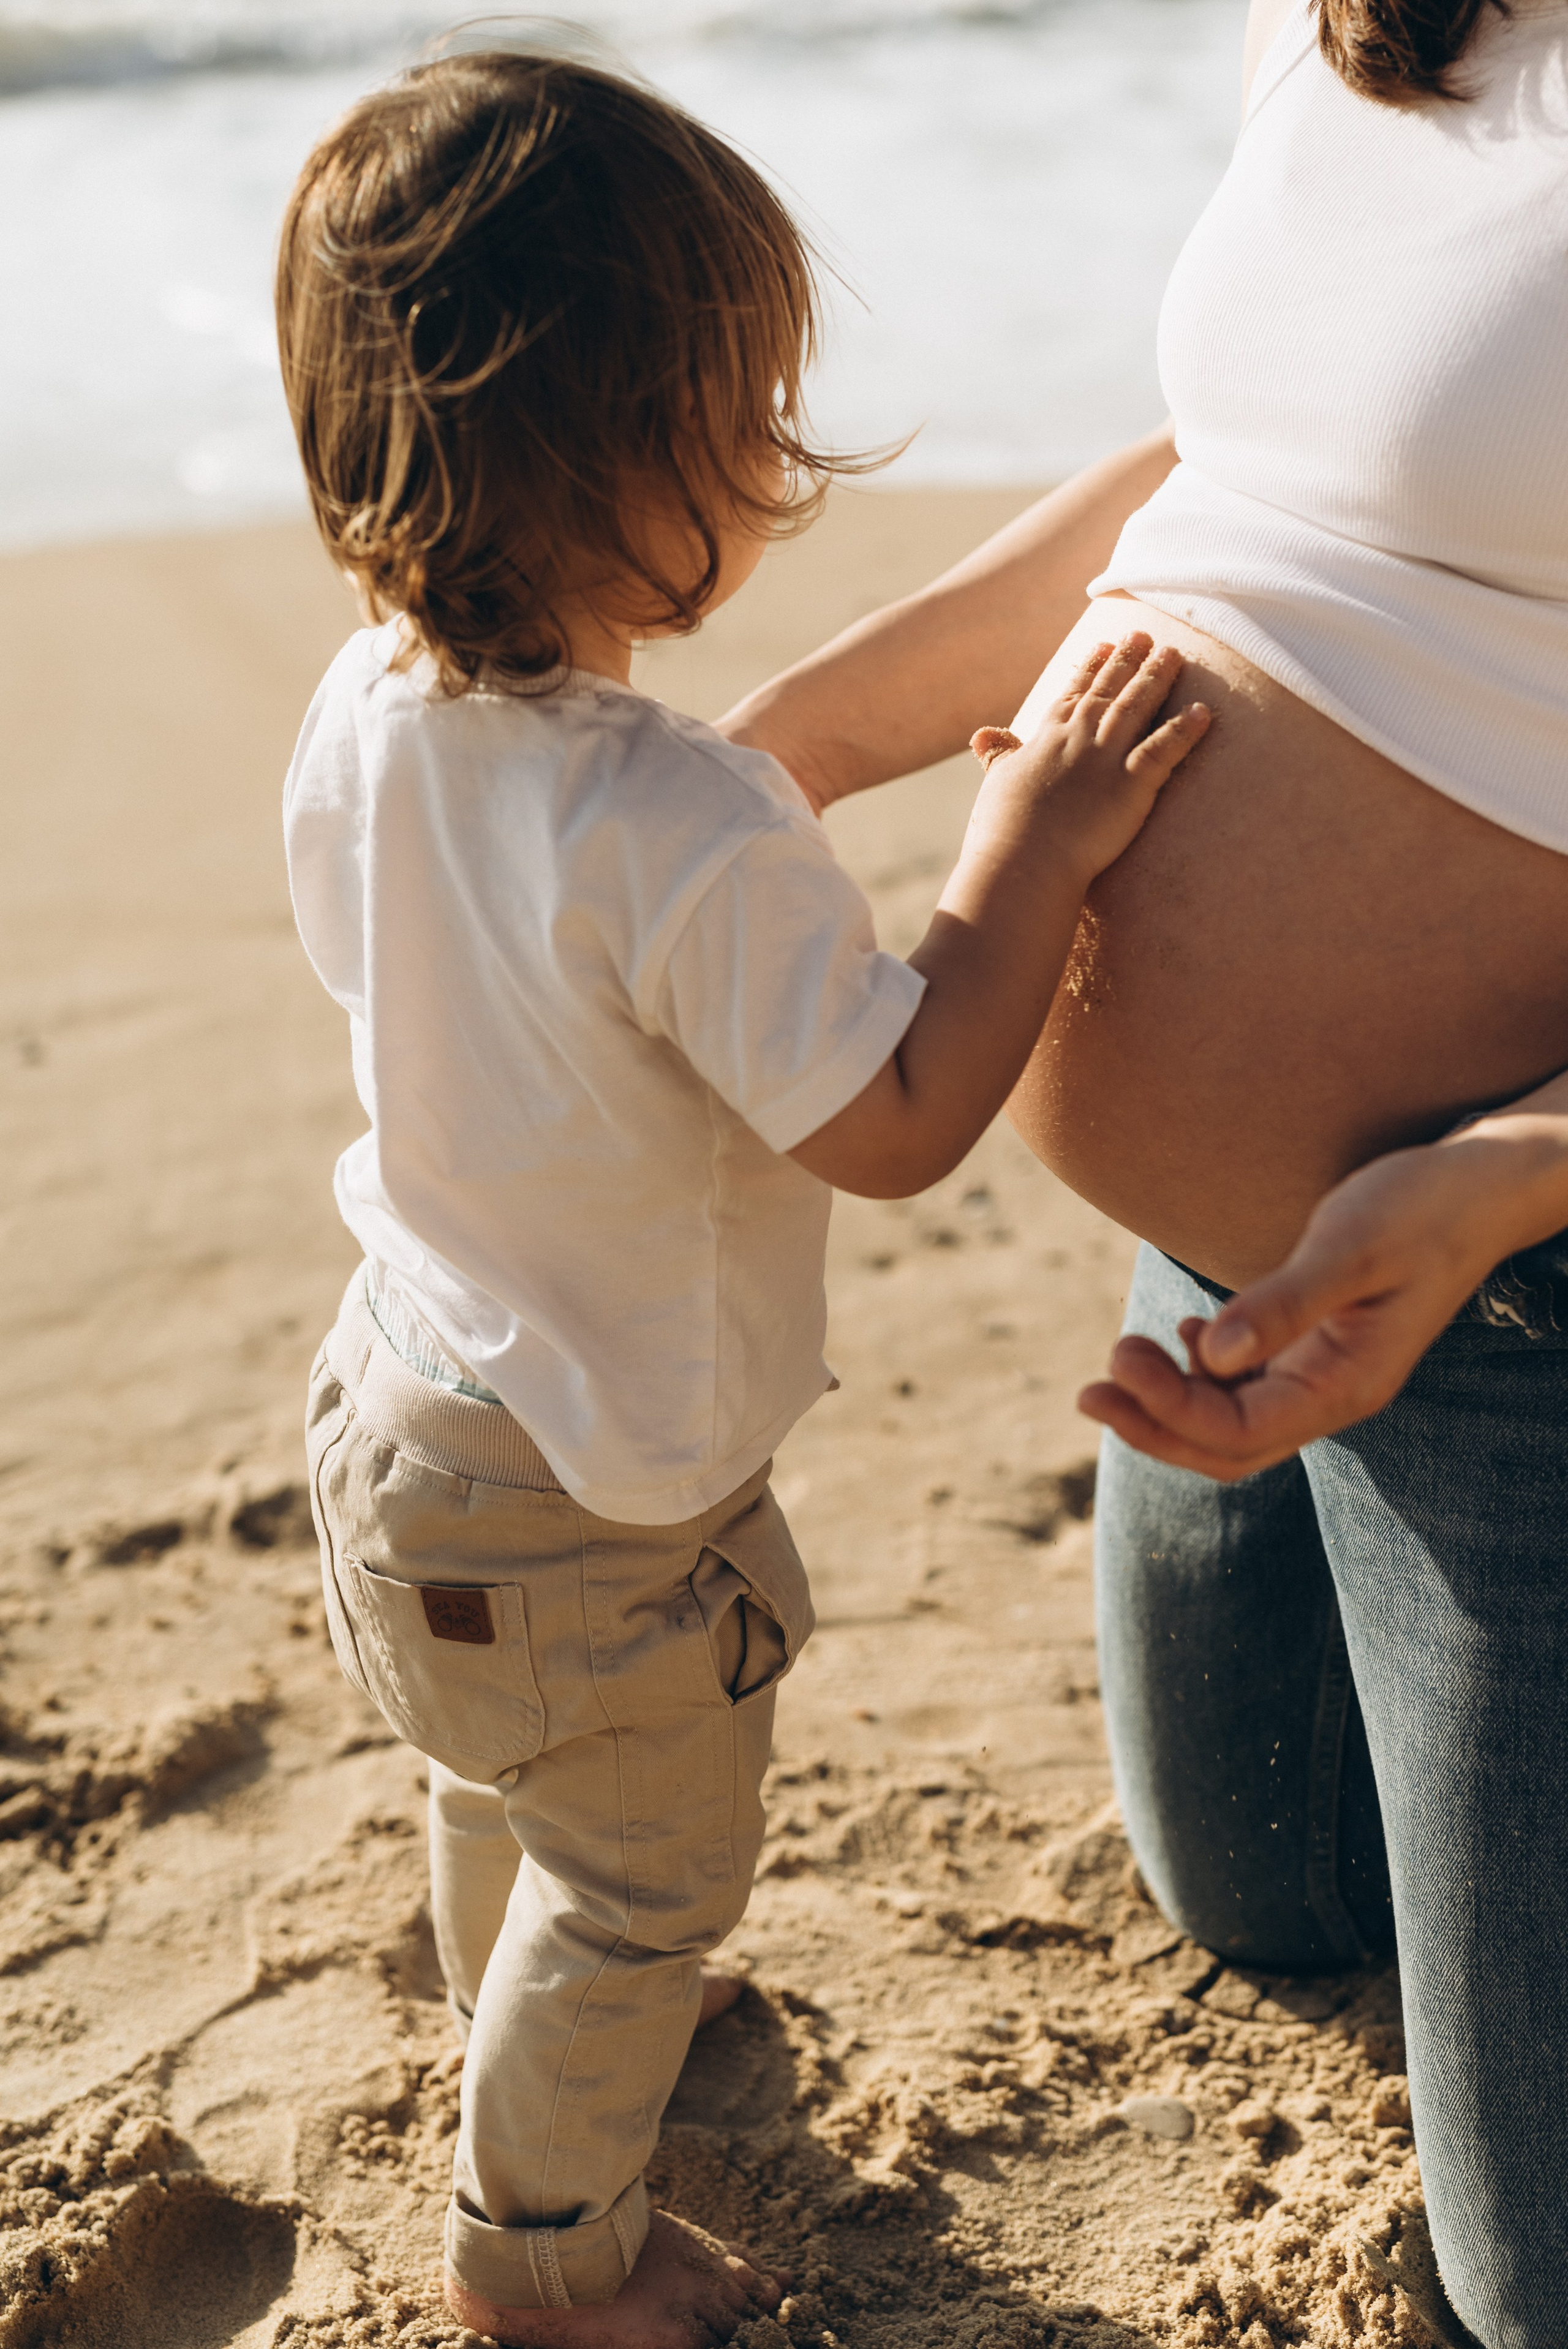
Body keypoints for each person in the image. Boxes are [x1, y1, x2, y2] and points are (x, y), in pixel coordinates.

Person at [275, 48, 1208, 2349]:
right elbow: (891, 1116)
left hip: (402, 1406)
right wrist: (1031, 852)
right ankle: (542, 2254)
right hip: (593, 1501)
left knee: (497, 1775)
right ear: (633, 455)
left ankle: (517, 1991)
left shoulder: (360, 709)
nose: (776, 459)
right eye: (744, 412)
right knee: (646, 1861)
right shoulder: (681, 821)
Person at [720, 1, 1568, 2339]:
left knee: (1541, 2283)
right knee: (1260, 1887)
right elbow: (1229, 475)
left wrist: (1503, 1172)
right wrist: (766, 766)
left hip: (1510, 1281)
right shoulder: (1367, 22)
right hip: (1212, 1259)